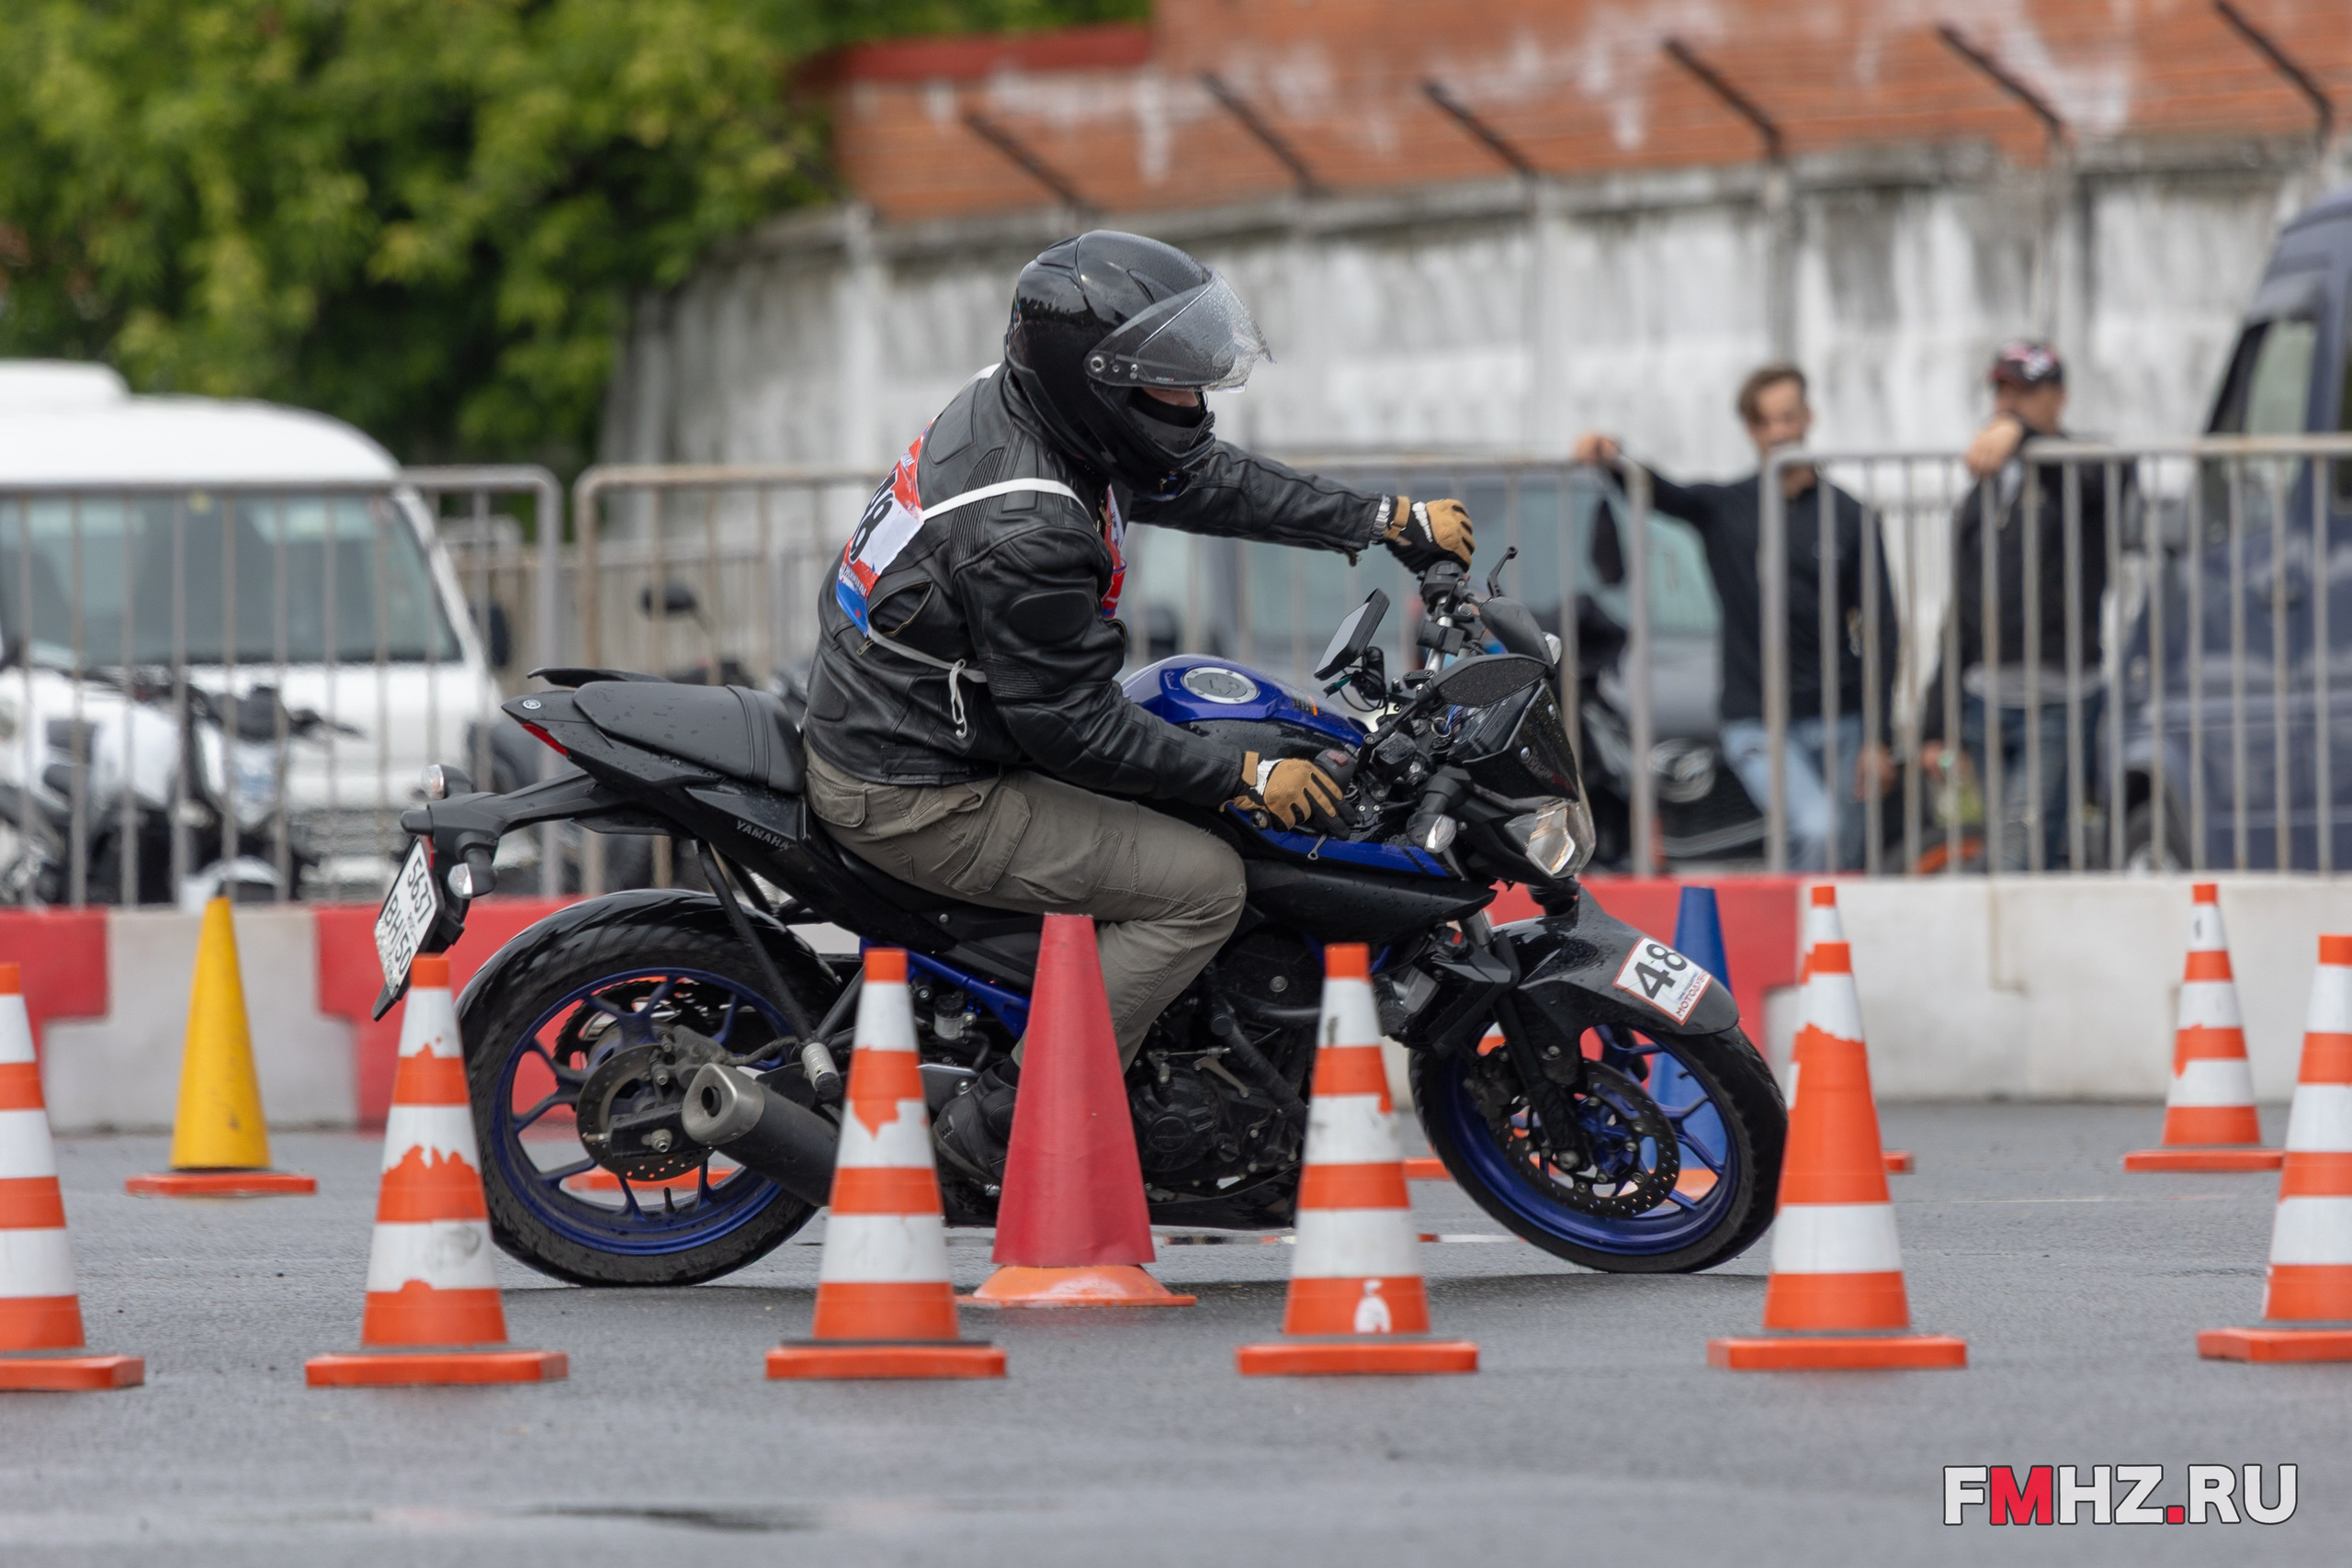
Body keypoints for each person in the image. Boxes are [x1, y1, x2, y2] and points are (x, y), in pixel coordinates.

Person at [798, 231, 1476, 1183]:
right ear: (1094, 382)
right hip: (918, 788)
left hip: (921, 723)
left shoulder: (1037, 412)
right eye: (1166, 380)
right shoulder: (1029, 525)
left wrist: (1377, 520)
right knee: (1202, 884)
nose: (1191, 400)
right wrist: (1245, 775)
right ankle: (1009, 1127)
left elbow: (1197, 475)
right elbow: (1069, 726)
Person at [1573, 365, 1896, 871]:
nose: (1780, 431)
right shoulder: (1727, 507)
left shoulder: (1850, 515)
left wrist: (1880, 737)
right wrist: (1613, 457)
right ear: (1751, 430)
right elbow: (1662, 493)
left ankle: (1805, 923)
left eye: (1788, 417)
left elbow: (1883, 628)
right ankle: (1802, 923)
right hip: (1757, 717)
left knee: (1844, 859)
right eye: (1767, 421)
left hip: (1842, 717)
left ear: (1808, 417)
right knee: (1818, 829)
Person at [1919, 341, 2124, 872]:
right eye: (2001, 391)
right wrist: (1935, 723)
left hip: (2058, 699)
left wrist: (2028, 439)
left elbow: (2104, 480)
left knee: (2015, 855)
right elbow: (1963, 611)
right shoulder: (1983, 493)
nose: (2007, 405)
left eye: (2024, 392)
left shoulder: (2083, 466)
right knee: (2014, 858)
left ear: (2059, 397)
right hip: (1984, 702)